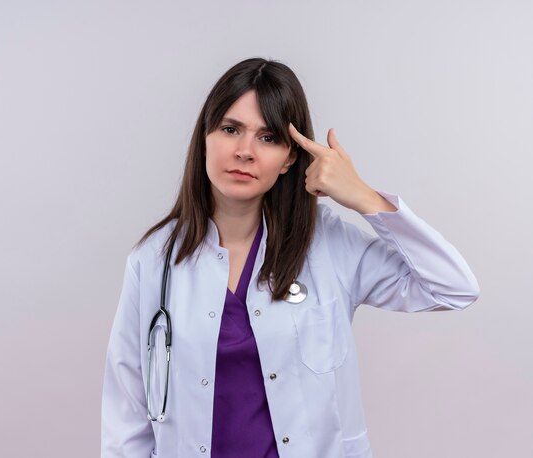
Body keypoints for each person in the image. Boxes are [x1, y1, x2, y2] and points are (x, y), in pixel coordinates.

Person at [100, 57, 479, 458]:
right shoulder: (154, 261)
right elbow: (127, 414)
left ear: (290, 158)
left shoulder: (328, 246)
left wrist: (364, 197)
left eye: (267, 138)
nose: (244, 151)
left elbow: (454, 288)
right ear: (206, 138)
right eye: (231, 130)